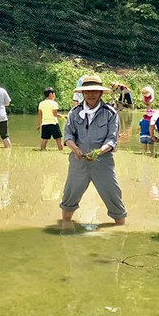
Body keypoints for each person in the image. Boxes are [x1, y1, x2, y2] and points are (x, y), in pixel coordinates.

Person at [59, 75, 126, 225]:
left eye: (95, 91)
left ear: (101, 93)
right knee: (69, 197)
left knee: (114, 197)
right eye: (87, 91)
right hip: (78, 162)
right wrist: (75, 149)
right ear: (82, 93)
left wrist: (98, 152)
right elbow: (68, 135)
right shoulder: (74, 113)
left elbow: (111, 139)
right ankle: (65, 228)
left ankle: (120, 229)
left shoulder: (110, 113)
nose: (91, 94)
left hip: (103, 163)